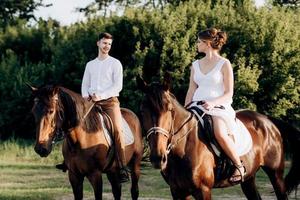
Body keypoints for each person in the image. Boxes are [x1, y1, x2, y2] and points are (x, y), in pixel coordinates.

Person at [185, 28, 246, 183]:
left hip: (218, 107)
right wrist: (185, 108)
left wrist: (212, 103)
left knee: (218, 131)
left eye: (199, 42)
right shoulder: (195, 65)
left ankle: (239, 165)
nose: (197, 44)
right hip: (196, 106)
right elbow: (191, 89)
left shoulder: (224, 64)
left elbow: (229, 92)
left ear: (207, 43)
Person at [81, 32, 129, 183]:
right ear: (98, 43)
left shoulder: (115, 63)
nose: (106, 46)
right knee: (74, 124)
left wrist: (100, 96)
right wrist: (86, 96)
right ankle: (70, 161)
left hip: (109, 103)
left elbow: (118, 86)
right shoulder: (90, 65)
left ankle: (122, 167)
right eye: (104, 43)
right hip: (90, 103)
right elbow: (84, 85)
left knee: (117, 130)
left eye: (109, 44)